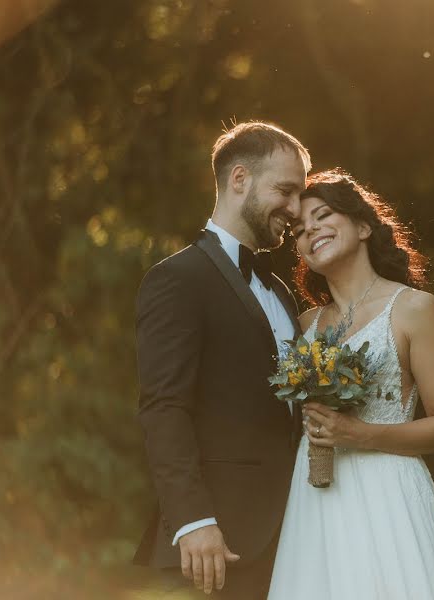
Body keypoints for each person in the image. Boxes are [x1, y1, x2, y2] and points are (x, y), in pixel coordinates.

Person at [268, 169, 434, 599]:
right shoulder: (301, 327)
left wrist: (359, 434)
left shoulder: (414, 309)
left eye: (323, 215)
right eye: (300, 230)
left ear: (362, 226)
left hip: (389, 494)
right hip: (316, 501)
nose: (311, 230)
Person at [133, 121, 310, 598]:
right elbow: (164, 406)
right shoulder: (177, 278)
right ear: (239, 180)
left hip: (292, 536)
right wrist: (193, 520)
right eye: (286, 191)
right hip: (216, 545)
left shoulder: (279, 292)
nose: (296, 211)